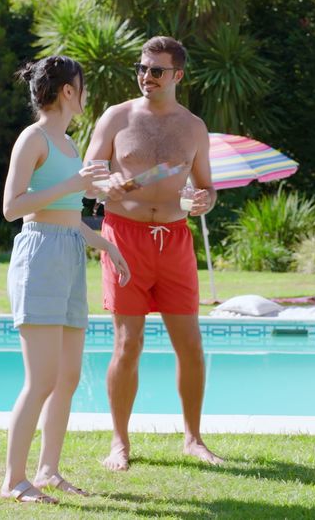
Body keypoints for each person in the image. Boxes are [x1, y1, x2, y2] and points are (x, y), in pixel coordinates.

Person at [84, 36, 222, 471]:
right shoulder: (116, 117)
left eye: (156, 70)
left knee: (191, 346)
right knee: (128, 343)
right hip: (124, 237)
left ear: (177, 75)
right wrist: (108, 186)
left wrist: (205, 201)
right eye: (142, 68)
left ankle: (194, 439)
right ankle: (119, 443)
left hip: (176, 239)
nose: (147, 77)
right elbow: (88, 177)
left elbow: (206, 186)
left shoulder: (193, 127)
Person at [0, 55, 131, 503]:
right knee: (41, 380)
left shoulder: (71, 145)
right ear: (68, 91)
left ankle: (48, 469)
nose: (86, 91)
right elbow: (13, 207)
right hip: (39, 256)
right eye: (82, 84)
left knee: (68, 376)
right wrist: (73, 181)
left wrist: (107, 246)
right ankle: (14, 480)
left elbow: (71, 216)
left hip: (71, 253)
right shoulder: (32, 139)